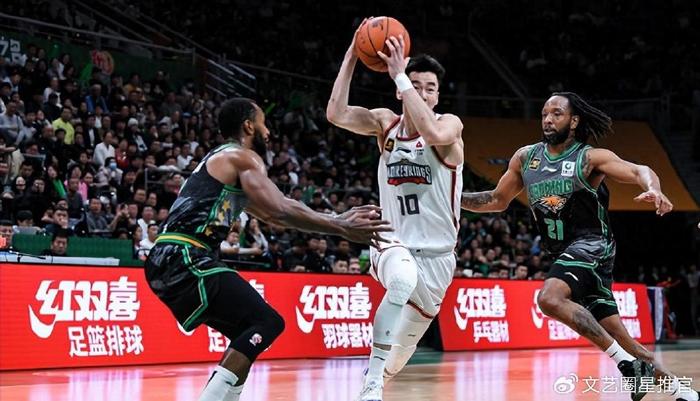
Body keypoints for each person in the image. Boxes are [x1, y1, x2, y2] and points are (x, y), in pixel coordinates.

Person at [144, 97, 391, 401]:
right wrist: (340, 225)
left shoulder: (223, 166)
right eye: (263, 123)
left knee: (248, 331)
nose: (268, 132)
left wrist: (337, 220)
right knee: (268, 322)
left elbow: (276, 214)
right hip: (184, 254)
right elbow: (281, 208)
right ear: (249, 126)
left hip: (169, 258)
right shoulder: (242, 157)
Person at [460, 92, 698, 401]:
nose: (548, 119)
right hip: (567, 255)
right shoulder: (526, 158)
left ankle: (626, 365)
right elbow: (496, 199)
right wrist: (451, 198)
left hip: (593, 245)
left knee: (549, 298)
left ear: (573, 121)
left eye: (556, 114)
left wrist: (653, 188)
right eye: (544, 114)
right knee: (621, 338)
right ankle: (685, 393)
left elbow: (638, 169)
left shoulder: (589, 158)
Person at [327, 23, 463, 401]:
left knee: (397, 359)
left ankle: (378, 375)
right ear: (399, 89)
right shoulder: (385, 123)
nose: (423, 92)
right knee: (401, 279)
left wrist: (403, 76)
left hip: (438, 257)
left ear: (437, 96)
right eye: (416, 85)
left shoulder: (450, 125)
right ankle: (372, 383)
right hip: (392, 240)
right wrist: (353, 53)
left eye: (430, 87)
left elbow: (433, 134)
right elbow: (336, 113)